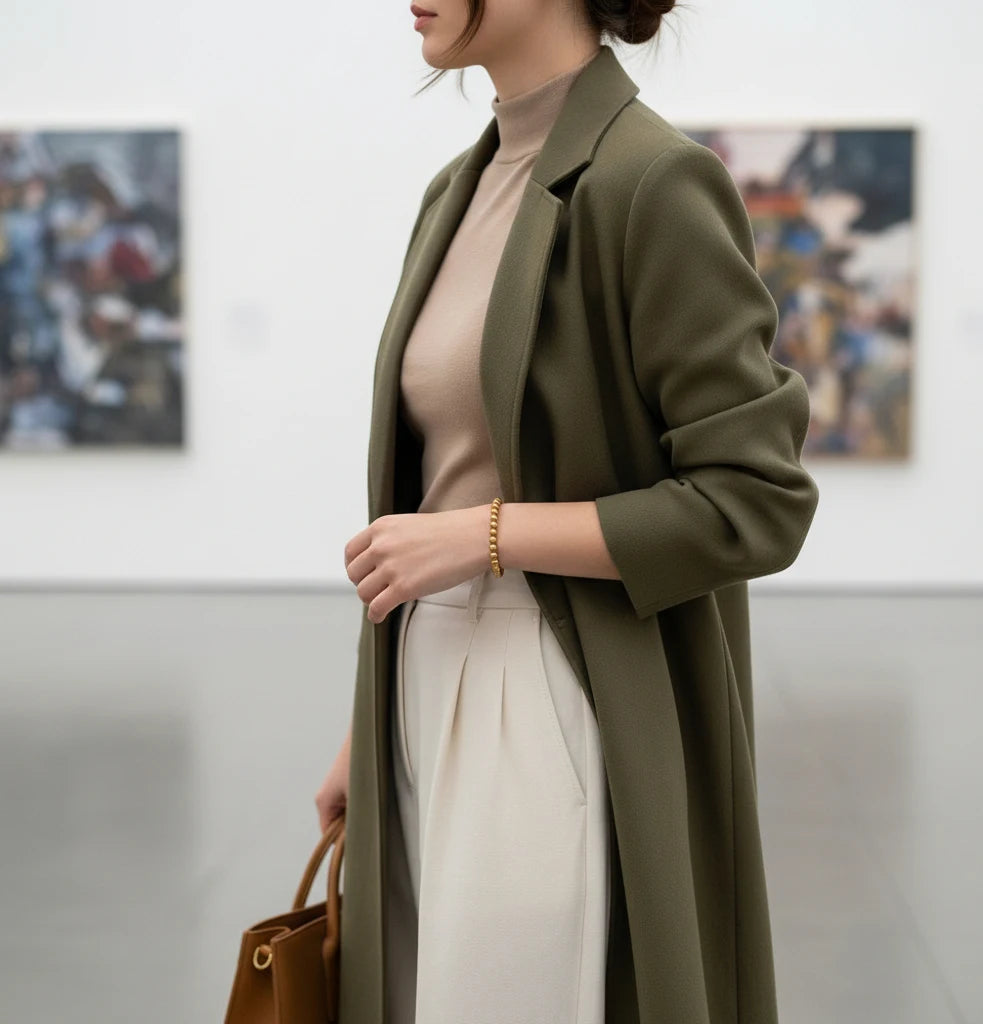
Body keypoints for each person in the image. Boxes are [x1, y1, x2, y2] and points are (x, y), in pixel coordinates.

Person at [316, 3, 820, 1023]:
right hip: (421, 679)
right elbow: (442, 480)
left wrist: (486, 535)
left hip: (552, 682)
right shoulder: (454, 190)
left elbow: (753, 499)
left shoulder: (653, 181)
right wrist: (361, 730)